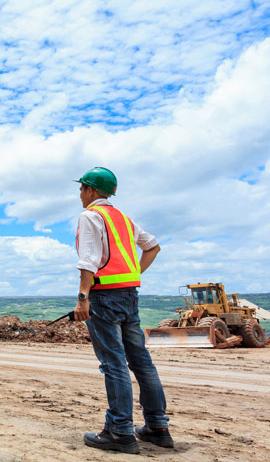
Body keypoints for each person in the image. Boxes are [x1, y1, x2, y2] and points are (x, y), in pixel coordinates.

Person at [73, 167, 174, 454]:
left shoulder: (90, 216)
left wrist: (83, 298)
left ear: (91, 191)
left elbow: (89, 261)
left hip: (104, 297)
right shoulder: (123, 218)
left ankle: (120, 432)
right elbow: (152, 246)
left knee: (114, 363)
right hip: (129, 296)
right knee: (141, 362)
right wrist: (133, 275)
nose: (80, 194)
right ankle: (157, 427)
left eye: (82, 189)